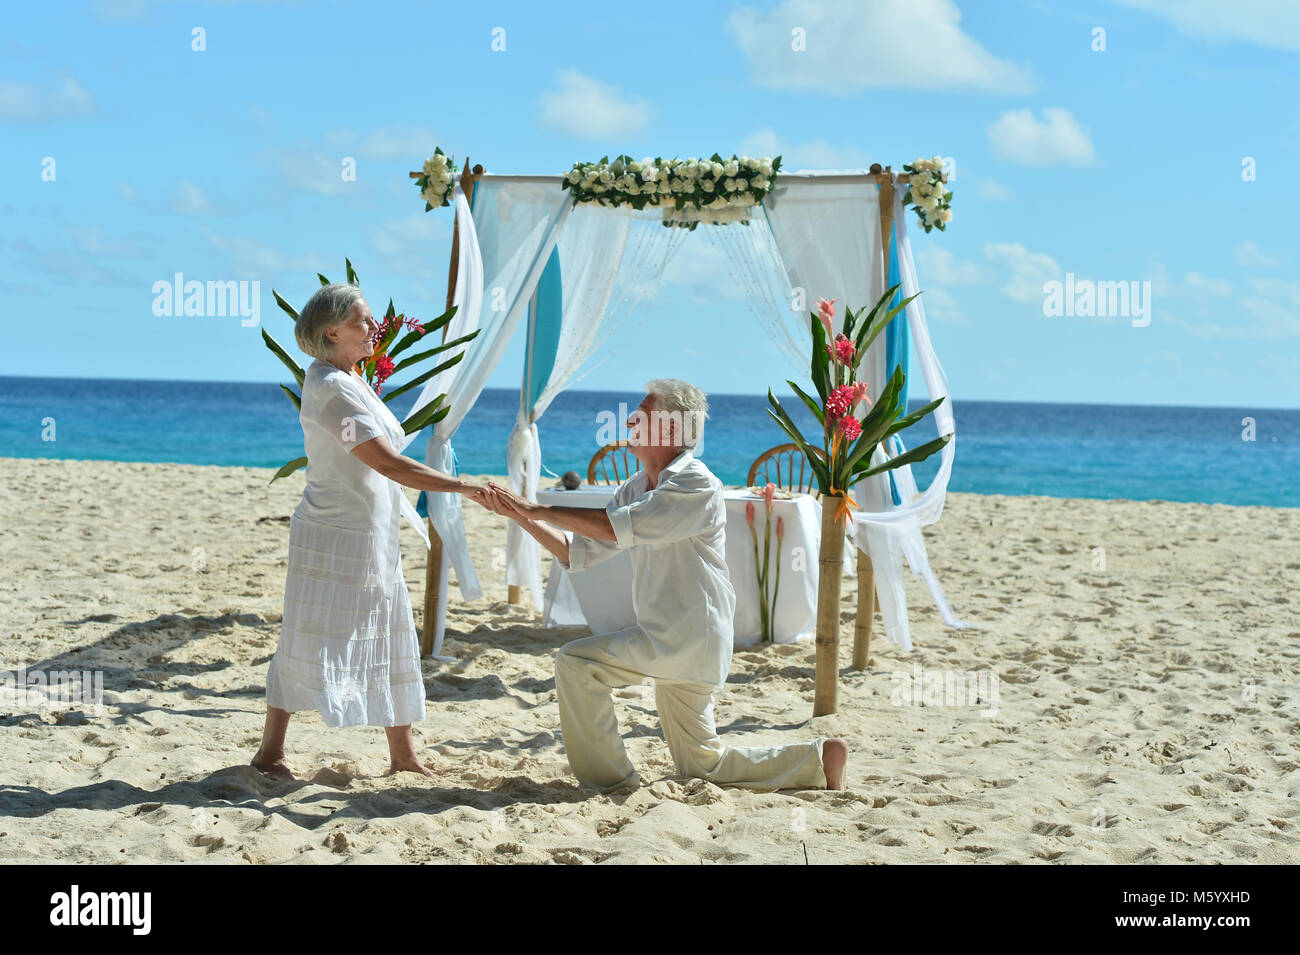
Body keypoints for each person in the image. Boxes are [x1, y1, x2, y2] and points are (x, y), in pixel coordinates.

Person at [477, 378, 848, 792]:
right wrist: (520, 515)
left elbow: (618, 529)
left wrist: (536, 506)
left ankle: (611, 784)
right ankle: (818, 760)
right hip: (672, 638)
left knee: (577, 663)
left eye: (642, 414)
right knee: (702, 765)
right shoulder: (635, 488)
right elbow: (578, 552)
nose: (631, 419)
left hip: (688, 638)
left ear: (670, 430)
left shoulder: (696, 483)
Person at [252, 283, 481, 781]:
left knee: (390, 630)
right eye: (363, 320)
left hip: (369, 531)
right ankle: (270, 754)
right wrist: (465, 487)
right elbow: (386, 462)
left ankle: (403, 755)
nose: (374, 327)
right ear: (333, 331)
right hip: (337, 533)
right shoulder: (332, 390)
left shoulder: (350, 378)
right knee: (306, 635)